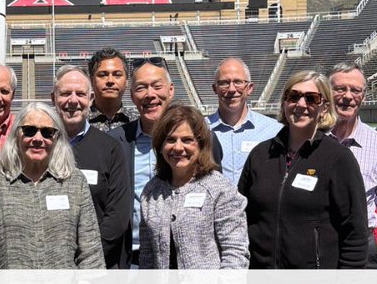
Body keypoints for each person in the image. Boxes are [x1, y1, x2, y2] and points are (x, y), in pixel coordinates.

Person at [238, 70, 368, 270]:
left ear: (324, 107)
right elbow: (240, 218)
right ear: (284, 102)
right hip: (261, 281)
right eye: (294, 96)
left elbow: (355, 233)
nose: (301, 104)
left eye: (311, 98)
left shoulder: (339, 159)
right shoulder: (260, 155)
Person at [110, 57, 222, 265]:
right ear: (132, 96)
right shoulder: (116, 142)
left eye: (156, 86)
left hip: (186, 262)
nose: (150, 95)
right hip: (130, 261)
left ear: (170, 90)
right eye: (141, 88)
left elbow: (215, 194)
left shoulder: (201, 138)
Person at [0, 102, 102, 270]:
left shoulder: (75, 182)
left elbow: (91, 255)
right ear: (16, 134)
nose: (38, 139)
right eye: (30, 130)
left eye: (47, 133)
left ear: (56, 139)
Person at [140, 105, 249, 269]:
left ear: (201, 144)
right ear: (160, 145)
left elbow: (235, 254)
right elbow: (147, 256)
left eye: (187, 140)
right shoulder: (151, 191)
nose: (178, 147)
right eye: (170, 139)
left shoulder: (220, 189)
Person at [328, 63, 377, 273]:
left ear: (364, 96)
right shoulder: (308, 140)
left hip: (361, 247)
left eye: (355, 90)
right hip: (314, 247)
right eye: (339, 89)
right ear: (326, 92)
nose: (347, 96)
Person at [51, 65, 133, 269]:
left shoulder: (110, 148)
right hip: (48, 266)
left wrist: (89, 258)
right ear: (53, 98)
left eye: (80, 94)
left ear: (91, 99)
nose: (73, 100)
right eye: (65, 93)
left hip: (99, 265)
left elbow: (117, 216)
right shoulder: (39, 145)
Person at [206, 57, 281, 186]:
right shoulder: (200, 129)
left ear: (250, 88)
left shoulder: (274, 130)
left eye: (238, 82)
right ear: (215, 89)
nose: (231, 89)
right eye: (224, 82)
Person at [87, 47, 137, 132]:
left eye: (117, 75)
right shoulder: (80, 122)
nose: (110, 80)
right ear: (91, 81)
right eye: (103, 75)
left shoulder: (138, 122)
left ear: (126, 81)